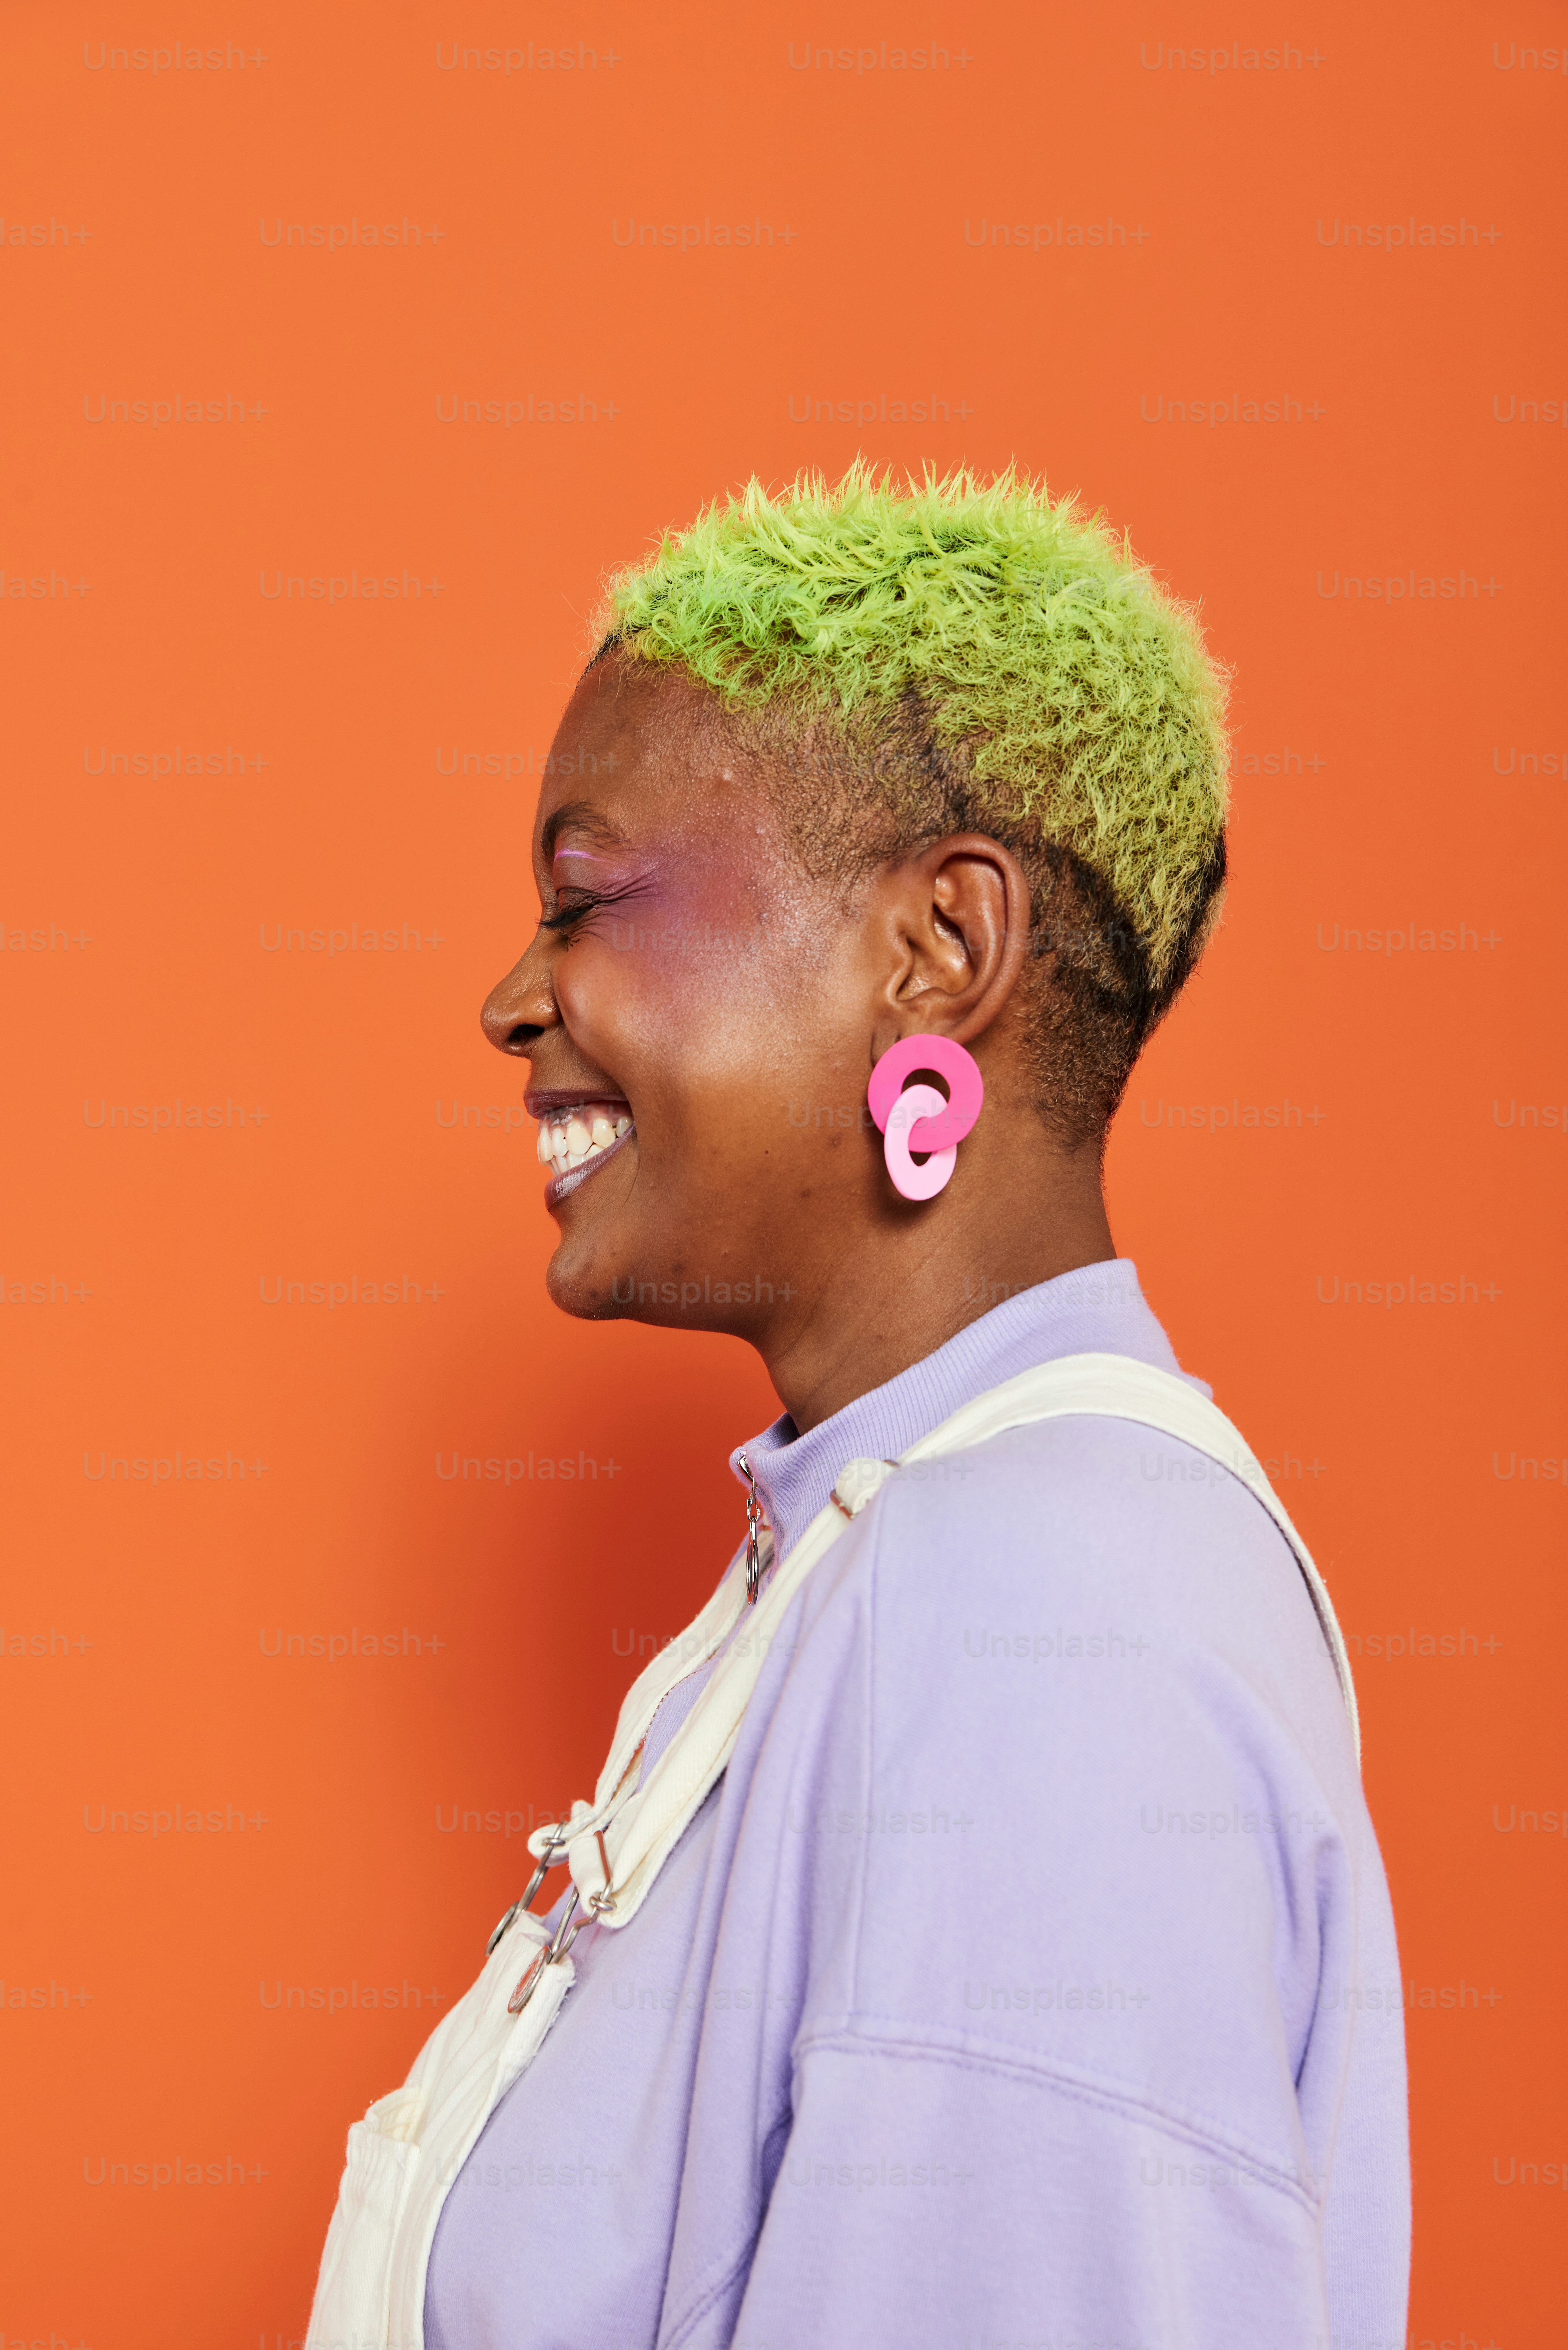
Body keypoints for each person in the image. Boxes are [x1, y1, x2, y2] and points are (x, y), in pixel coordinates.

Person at [307, 466, 1409, 2350]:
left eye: (585, 901)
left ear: (938, 952)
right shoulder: (888, 1544)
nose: (512, 998)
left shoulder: (1042, 1612)